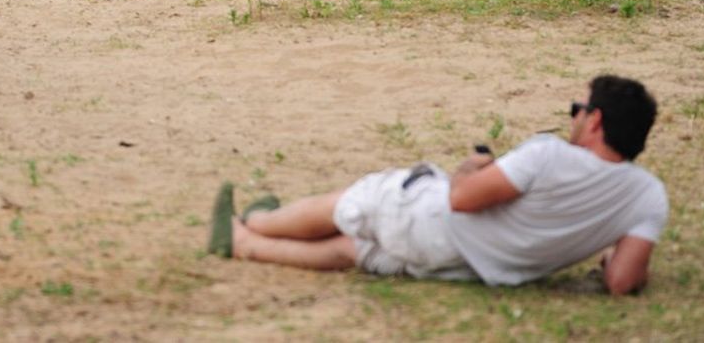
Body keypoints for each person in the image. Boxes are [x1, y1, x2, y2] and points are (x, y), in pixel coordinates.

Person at [210, 75, 666, 296]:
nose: (572, 116)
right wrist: (609, 250)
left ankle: (259, 221)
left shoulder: (548, 155)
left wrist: (472, 168)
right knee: (354, 251)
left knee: (352, 204)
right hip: (467, 267)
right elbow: (623, 281)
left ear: (595, 121)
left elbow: (462, 200)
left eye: (576, 108)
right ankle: (247, 244)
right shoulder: (647, 195)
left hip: (435, 225)